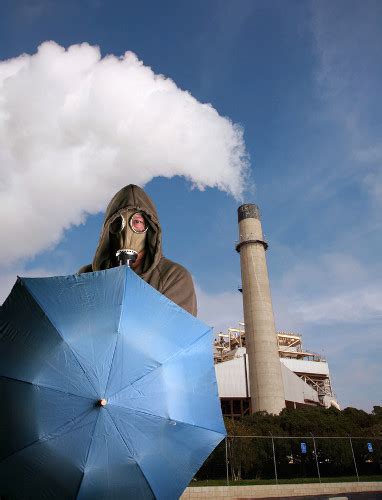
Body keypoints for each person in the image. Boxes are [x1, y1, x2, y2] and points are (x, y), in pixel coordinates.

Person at [79, 184, 197, 316]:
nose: (127, 232)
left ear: (150, 228)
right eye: (118, 223)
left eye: (137, 222)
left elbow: (177, 331)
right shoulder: (86, 276)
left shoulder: (173, 278)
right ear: (108, 230)